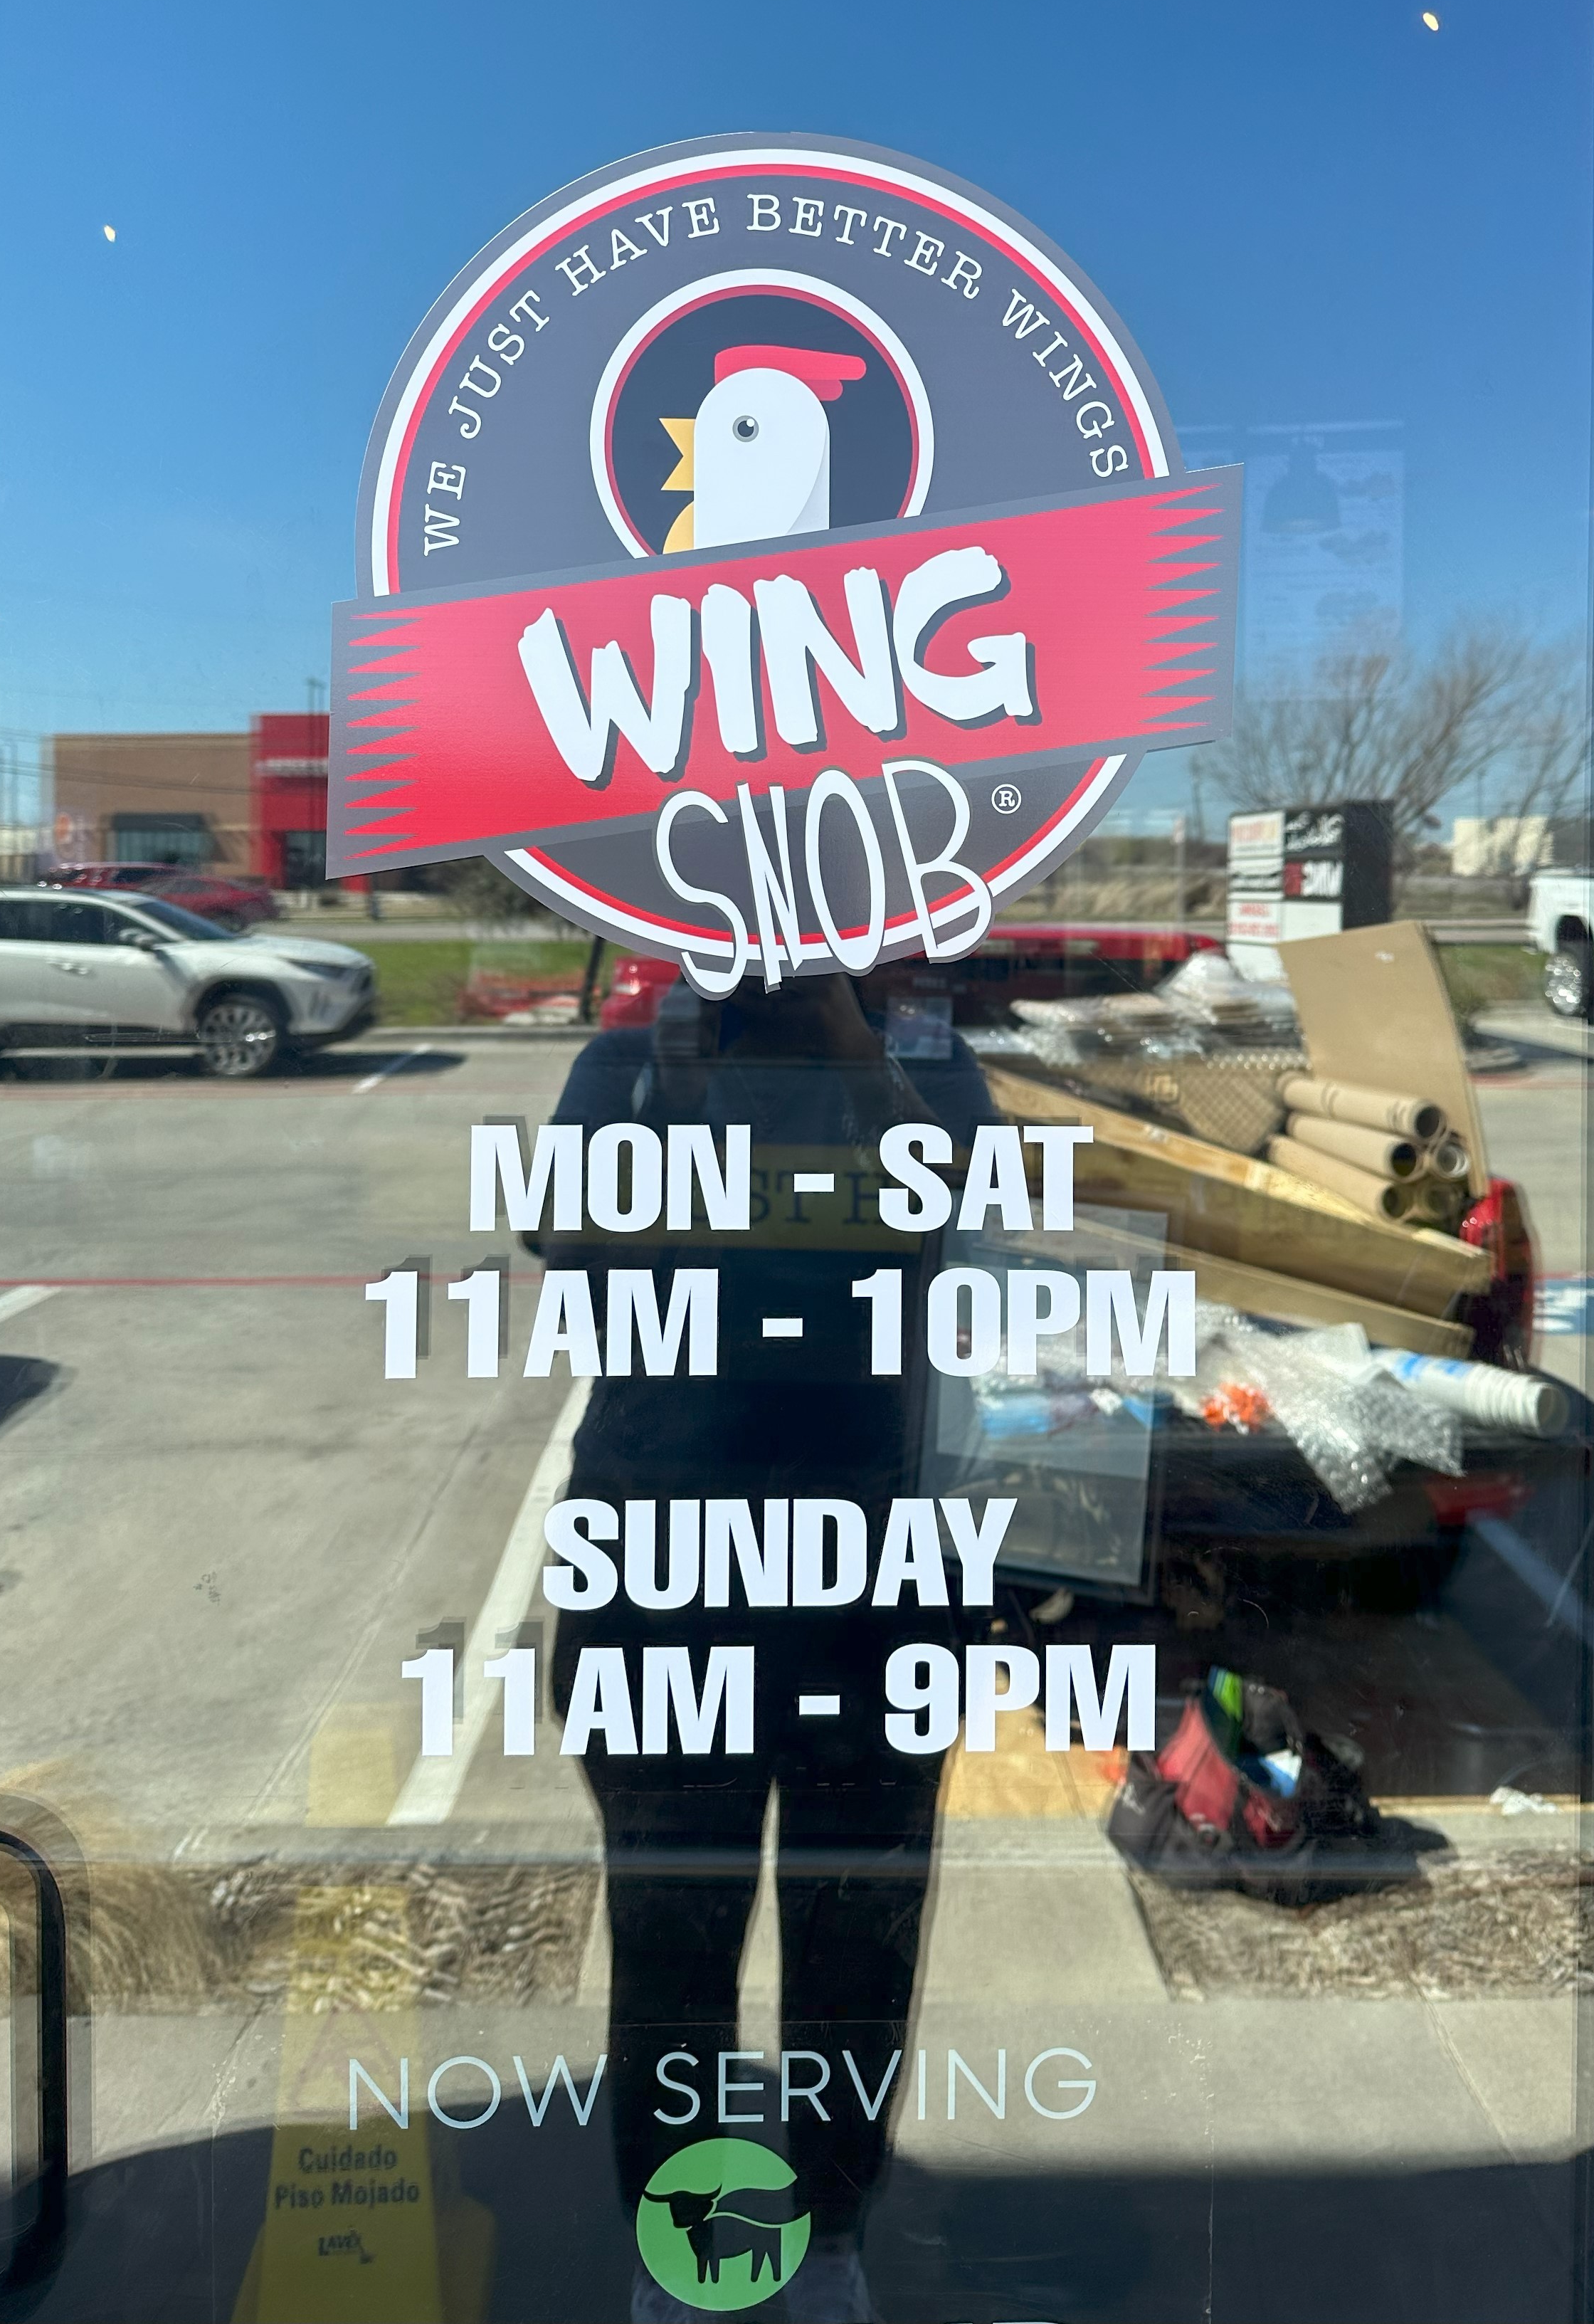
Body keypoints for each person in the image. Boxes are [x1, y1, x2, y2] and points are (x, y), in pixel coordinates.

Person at [535, 969, 998, 2324]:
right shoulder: (626, 1063)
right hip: (664, 1554)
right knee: (672, 1922)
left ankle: (834, 2230)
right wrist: (673, 1102)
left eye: (810, 962)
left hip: (874, 1556)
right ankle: (685, 2249)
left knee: (860, 1927)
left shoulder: (925, 1070)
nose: (772, 980)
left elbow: (966, 1231)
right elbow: (568, 1250)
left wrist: (853, 1056)